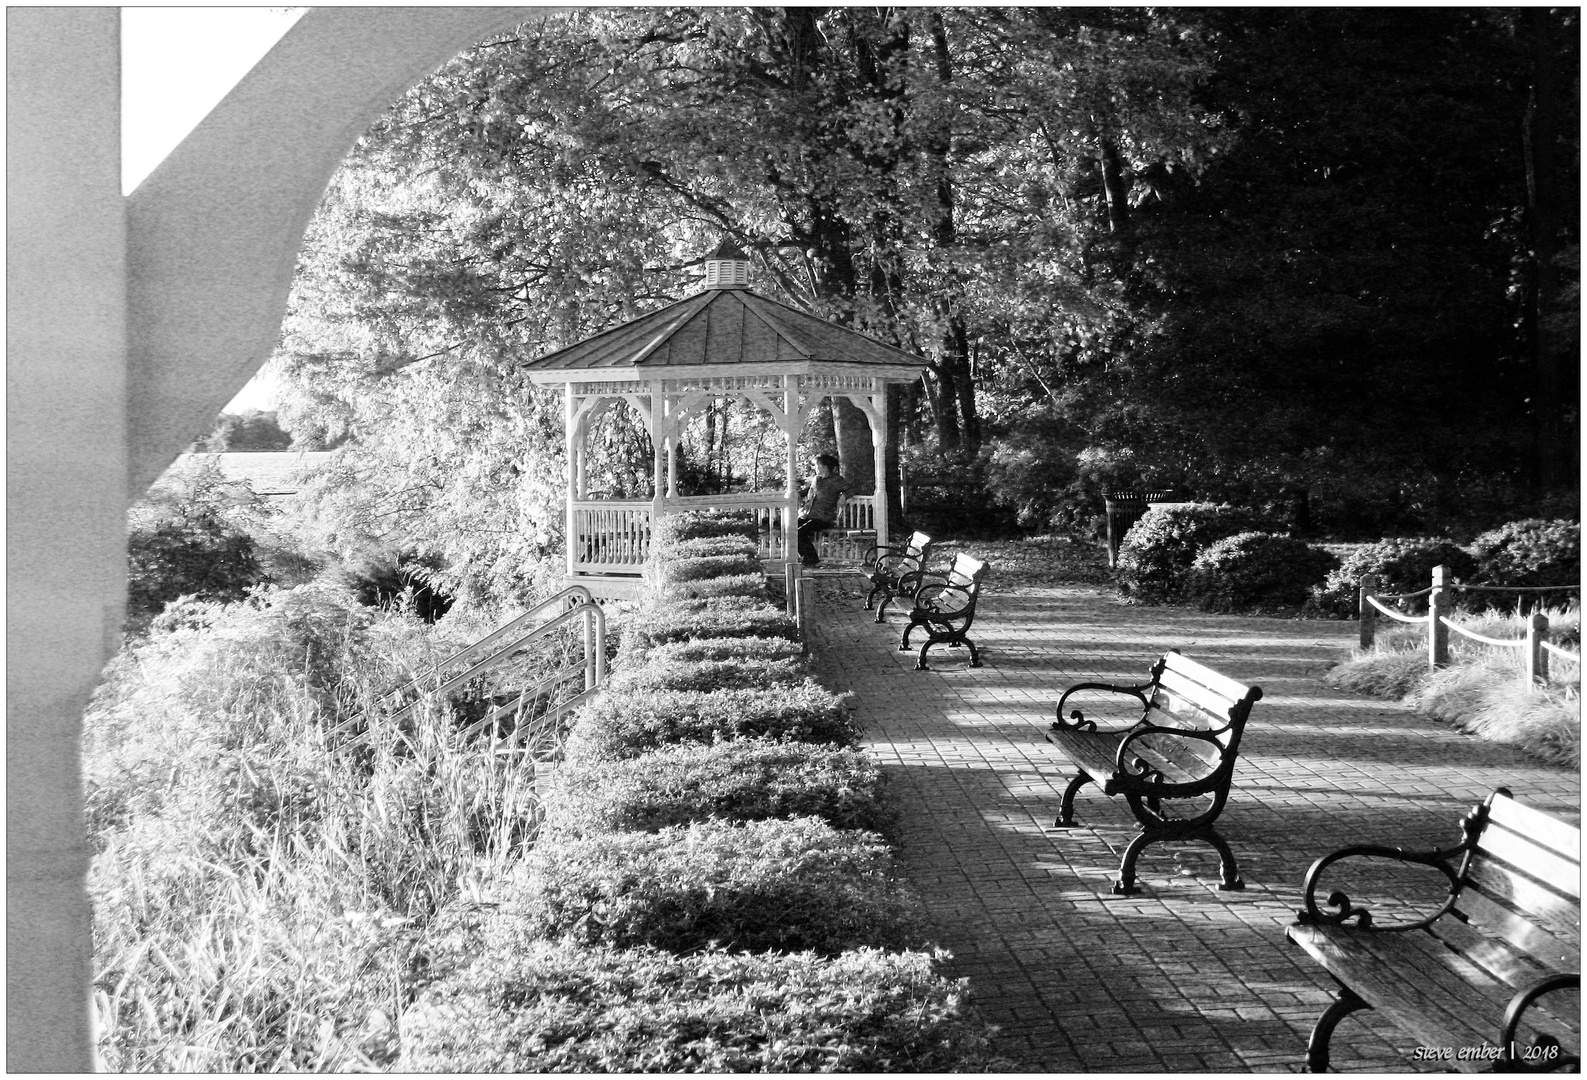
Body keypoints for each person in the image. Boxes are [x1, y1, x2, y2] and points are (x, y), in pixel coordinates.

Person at [797, 453, 849, 567]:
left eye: (817, 465)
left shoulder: (836, 480)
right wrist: (797, 494)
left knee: (800, 532)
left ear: (825, 467)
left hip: (824, 517)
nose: (815, 468)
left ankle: (812, 559)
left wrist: (844, 496)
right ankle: (806, 557)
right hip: (809, 514)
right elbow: (809, 491)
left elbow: (851, 489)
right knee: (791, 528)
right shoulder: (817, 479)